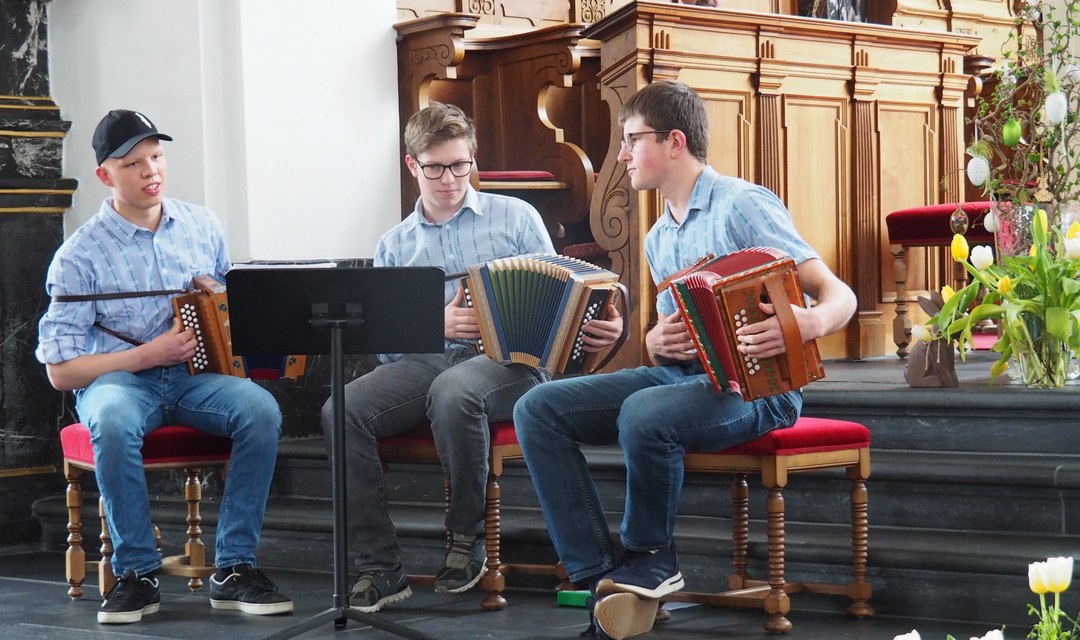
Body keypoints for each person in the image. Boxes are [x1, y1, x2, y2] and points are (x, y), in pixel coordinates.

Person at [513, 80, 858, 640]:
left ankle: (651, 557)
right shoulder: (656, 237)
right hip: (685, 379)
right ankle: (606, 578)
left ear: (675, 142)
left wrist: (808, 322)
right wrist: (655, 341)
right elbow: (676, 332)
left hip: (760, 390)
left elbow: (839, 294)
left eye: (632, 139)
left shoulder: (744, 203)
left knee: (645, 412)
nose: (621, 155)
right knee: (537, 408)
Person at [322, 102, 621, 614]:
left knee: (455, 390)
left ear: (472, 160)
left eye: (460, 165)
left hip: (513, 360)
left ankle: (466, 538)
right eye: (435, 167)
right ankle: (379, 566)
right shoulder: (395, 244)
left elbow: (565, 295)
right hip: (428, 360)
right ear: (412, 165)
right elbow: (389, 348)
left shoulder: (517, 216)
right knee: (339, 410)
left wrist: (604, 324)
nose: (449, 179)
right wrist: (433, 325)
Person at [36, 109, 293, 625]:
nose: (151, 170)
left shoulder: (202, 224)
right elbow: (60, 373)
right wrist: (147, 356)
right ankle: (136, 575)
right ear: (105, 176)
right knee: (110, 418)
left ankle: (235, 568)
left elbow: (227, 308)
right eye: (133, 163)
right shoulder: (77, 255)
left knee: (260, 409)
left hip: (196, 380)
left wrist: (221, 307)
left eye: (156, 156)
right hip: (118, 382)